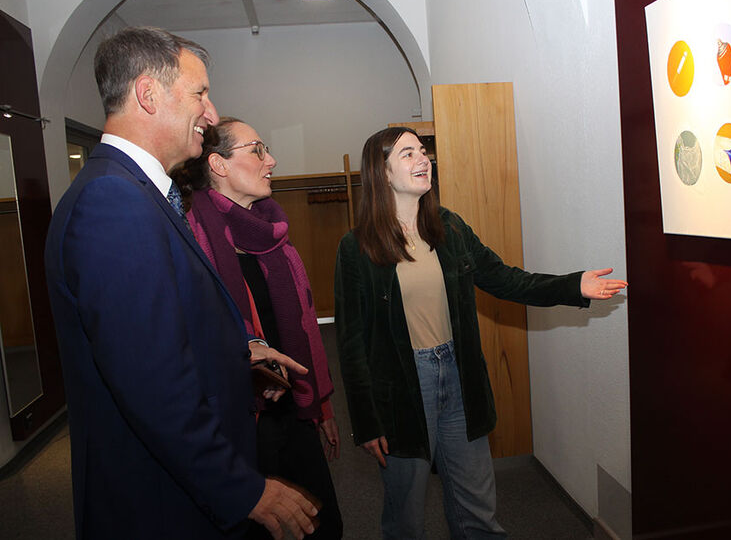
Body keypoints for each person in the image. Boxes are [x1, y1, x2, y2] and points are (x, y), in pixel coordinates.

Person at [44, 26, 318, 540]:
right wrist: (243, 488)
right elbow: (152, 384)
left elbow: (158, 328)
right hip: (158, 503)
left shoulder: (134, 192)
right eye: (200, 94)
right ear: (148, 95)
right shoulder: (114, 203)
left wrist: (238, 354)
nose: (211, 113)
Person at [334, 126, 628, 538]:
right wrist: (367, 421)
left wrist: (572, 285)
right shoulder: (357, 247)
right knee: (406, 518)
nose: (423, 159)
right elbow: (351, 342)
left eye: (423, 151)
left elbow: (505, 279)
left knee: (478, 510)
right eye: (407, 154)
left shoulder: (448, 228)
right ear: (380, 173)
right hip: (401, 390)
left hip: (458, 376)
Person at [171, 117, 343, 538]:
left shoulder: (274, 235)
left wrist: (319, 403)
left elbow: (301, 327)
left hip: (292, 407)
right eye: (258, 150)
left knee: (323, 526)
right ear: (219, 164)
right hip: (240, 421)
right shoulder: (191, 239)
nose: (272, 161)